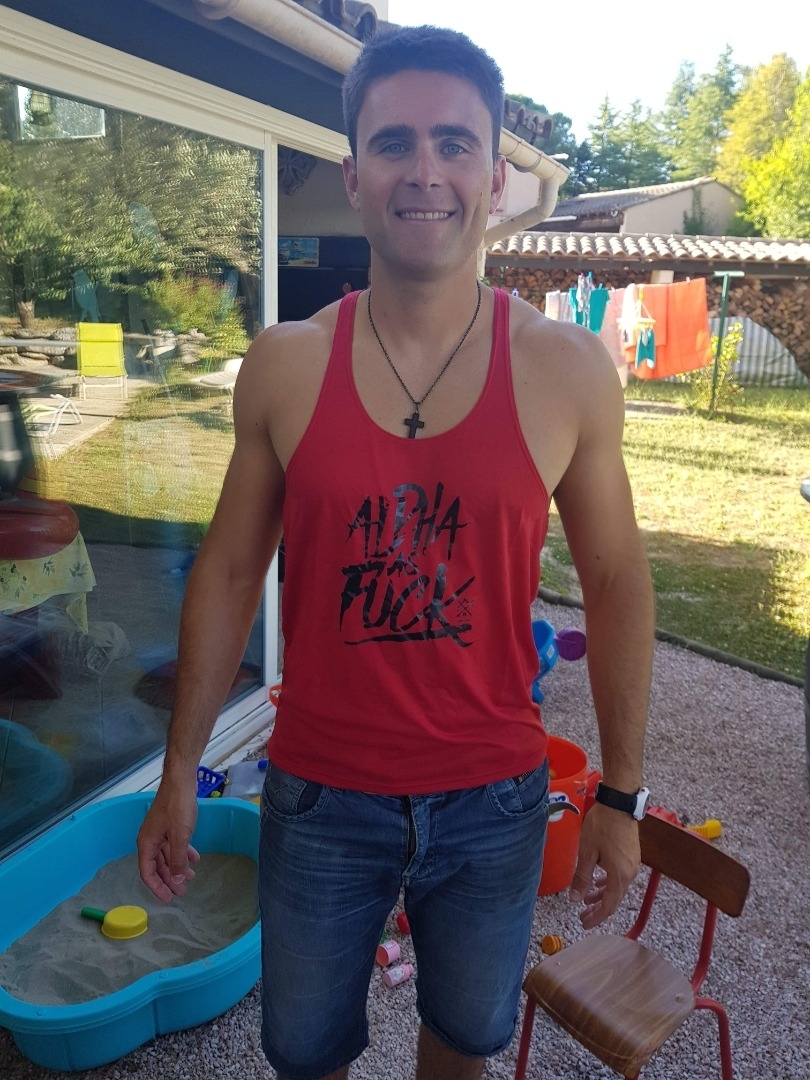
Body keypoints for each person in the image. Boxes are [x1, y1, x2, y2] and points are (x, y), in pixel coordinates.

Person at [137, 24, 655, 1080]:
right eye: (395, 143)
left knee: (464, 1043)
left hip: (495, 799)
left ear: (496, 179)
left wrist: (619, 796)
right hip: (320, 795)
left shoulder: (565, 371)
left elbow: (615, 583)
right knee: (305, 1052)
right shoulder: (285, 366)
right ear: (353, 174)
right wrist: (180, 769)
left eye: (455, 144)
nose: (426, 171)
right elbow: (229, 574)